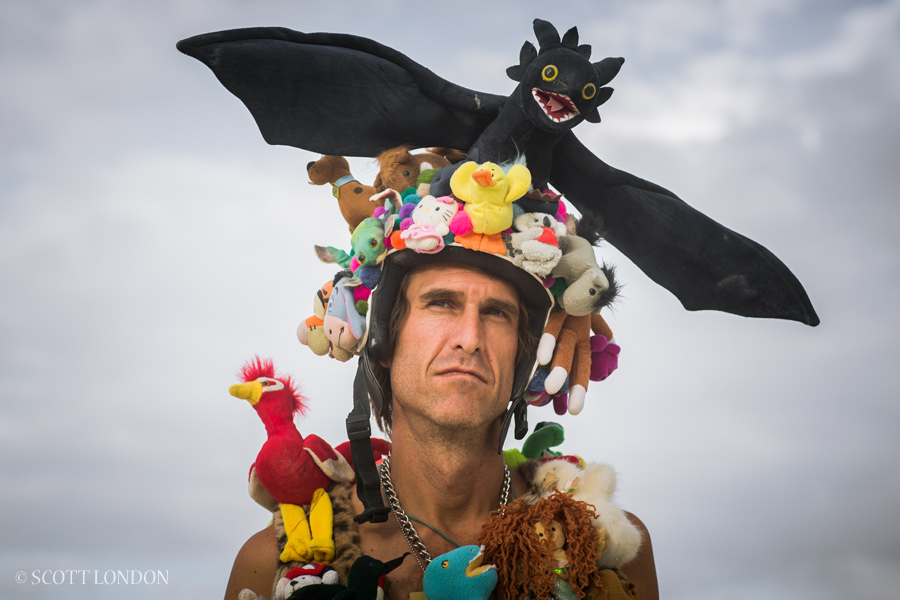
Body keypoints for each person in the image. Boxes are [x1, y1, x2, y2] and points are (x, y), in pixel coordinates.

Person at [223, 246, 659, 600]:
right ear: (384, 344)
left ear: (522, 363)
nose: (470, 338)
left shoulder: (603, 545)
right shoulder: (272, 565)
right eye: (441, 303)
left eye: (496, 313)